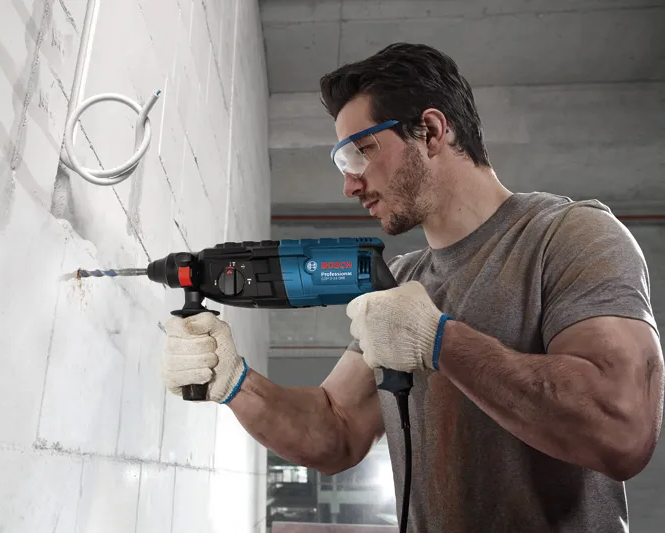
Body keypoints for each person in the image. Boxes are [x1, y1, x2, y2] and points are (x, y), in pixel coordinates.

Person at [160, 43, 663, 532]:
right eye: (343, 163)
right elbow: (336, 429)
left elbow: (622, 429)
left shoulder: (570, 235)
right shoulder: (402, 279)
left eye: (360, 153)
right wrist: (235, 383)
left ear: (431, 131)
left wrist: (439, 341)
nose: (349, 184)